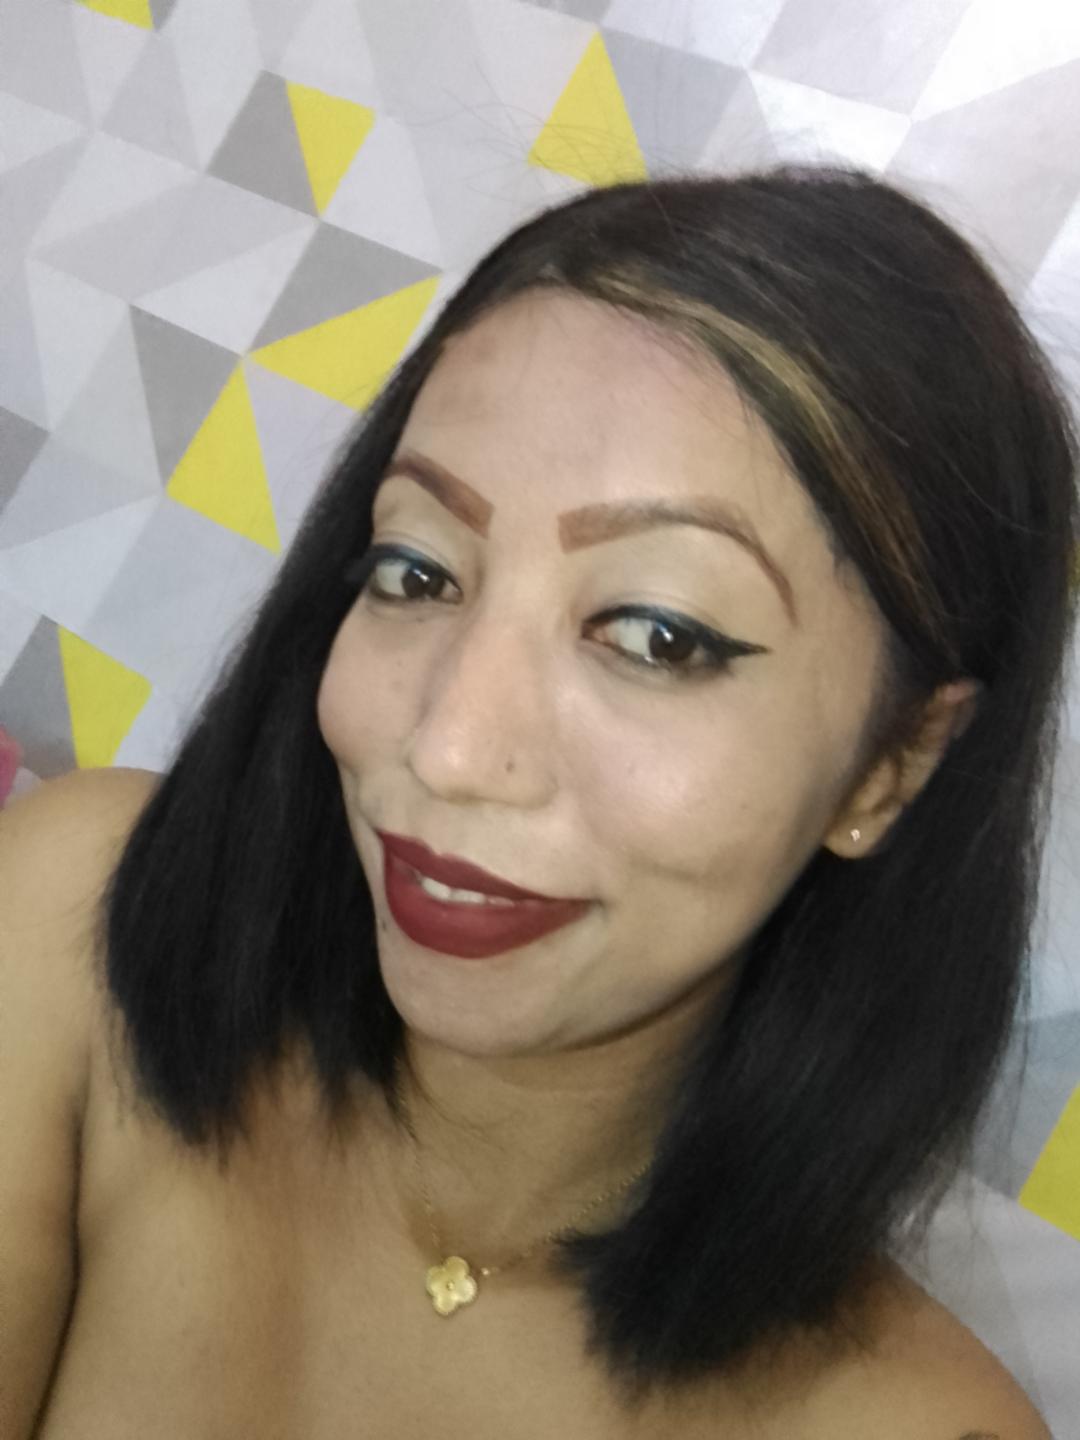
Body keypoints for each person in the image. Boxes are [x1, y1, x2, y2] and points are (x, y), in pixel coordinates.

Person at [3, 163, 1074, 1439]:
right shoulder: (79, 924)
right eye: (416, 571)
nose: (451, 748)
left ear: (891, 762)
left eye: (660, 635)